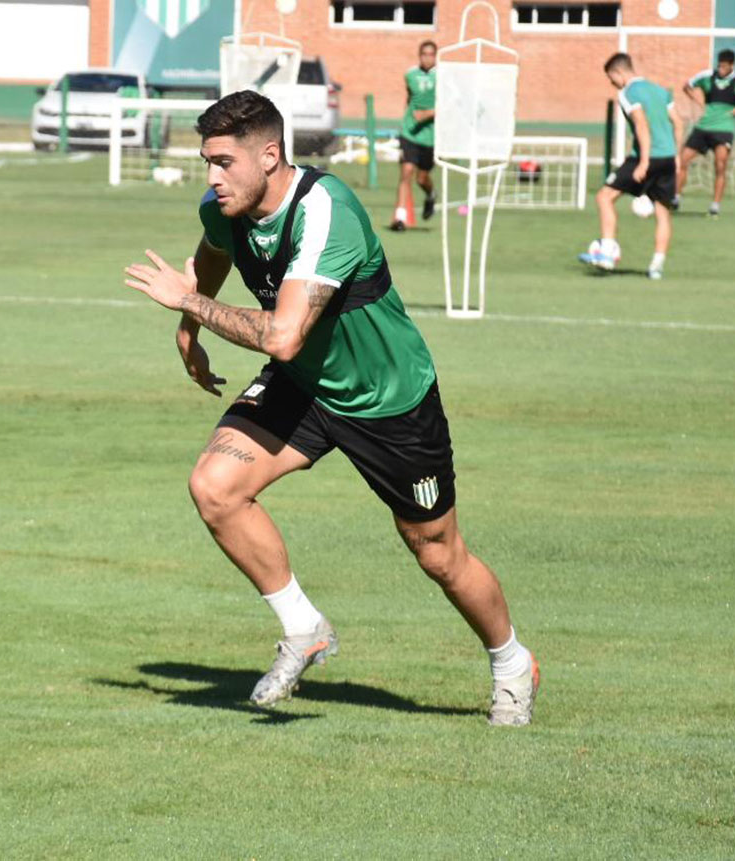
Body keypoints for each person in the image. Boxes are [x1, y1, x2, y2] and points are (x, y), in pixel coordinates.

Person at [123, 91, 538, 726]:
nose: (211, 177)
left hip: (387, 398)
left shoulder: (326, 211)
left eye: (223, 162)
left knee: (437, 554)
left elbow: (284, 333)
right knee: (215, 486)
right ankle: (303, 626)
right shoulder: (224, 207)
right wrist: (190, 330)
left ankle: (512, 664)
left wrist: (190, 307)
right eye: (206, 161)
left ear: (269, 155)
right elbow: (213, 253)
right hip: (302, 386)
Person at [579, 53, 682, 280]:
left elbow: (641, 125)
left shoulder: (627, 93)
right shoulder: (661, 90)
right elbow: (679, 122)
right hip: (667, 157)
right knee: (663, 214)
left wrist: (644, 161)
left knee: (604, 197)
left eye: (611, 78)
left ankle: (606, 251)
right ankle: (656, 266)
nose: (611, 83)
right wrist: (676, 155)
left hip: (645, 157)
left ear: (618, 73)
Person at [673, 49, 735, 217]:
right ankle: (675, 198)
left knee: (720, 165)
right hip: (703, 127)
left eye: (725, 66)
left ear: (732, 65)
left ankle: (715, 206)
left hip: (724, 129)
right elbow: (686, 86)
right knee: (682, 160)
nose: (721, 69)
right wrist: (698, 102)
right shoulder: (707, 76)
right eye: (719, 66)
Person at [390, 41, 437, 231]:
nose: (427, 58)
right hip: (409, 132)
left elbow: (451, 104)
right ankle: (399, 218)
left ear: (435, 56)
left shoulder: (443, 77)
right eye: (424, 54)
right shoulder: (410, 75)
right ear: (419, 55)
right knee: (406, 171)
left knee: (421, 178)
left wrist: (428, 114)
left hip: (430, 137)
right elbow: (410, 99)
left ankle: (431, 194)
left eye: (431, 54)